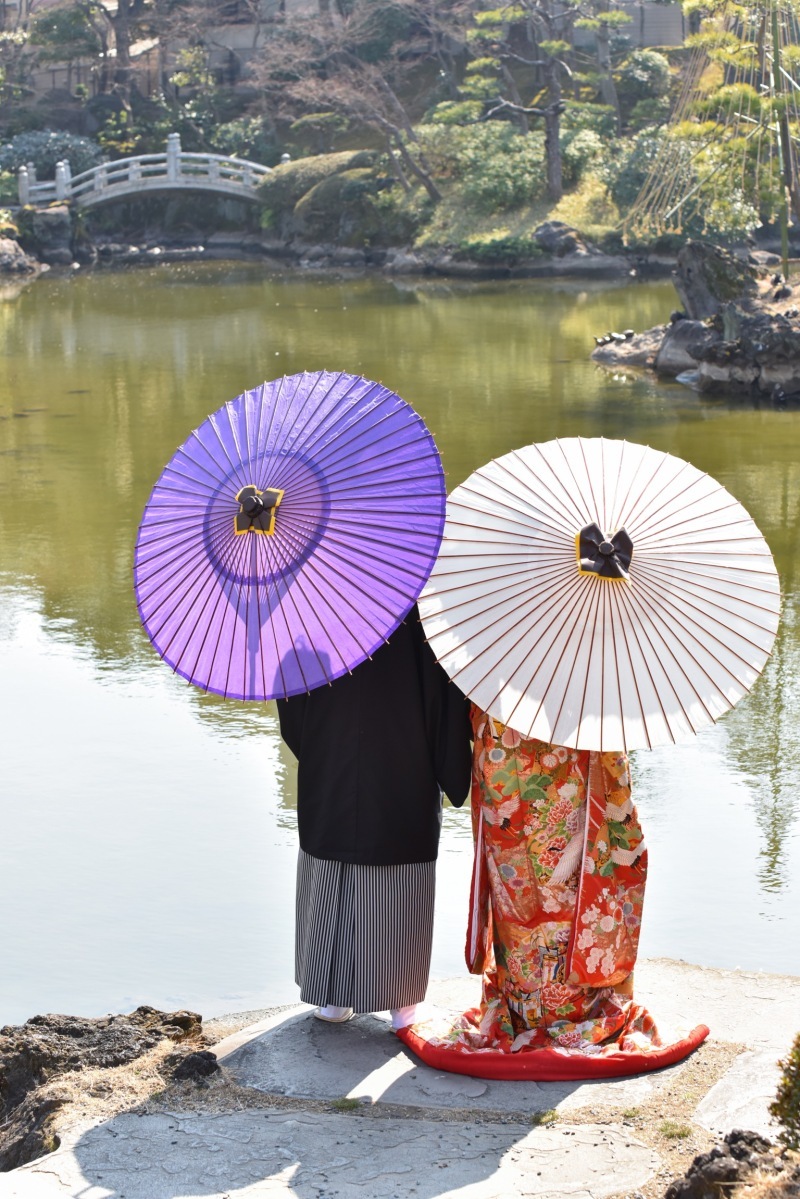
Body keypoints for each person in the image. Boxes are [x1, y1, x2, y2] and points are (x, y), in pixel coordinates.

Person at [395, 707, 708, 1076]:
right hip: (542, 776)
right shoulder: (577, 661)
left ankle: (529, 1010)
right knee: (536, 894)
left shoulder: (491, 658)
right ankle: (555, 1009)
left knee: (550, 894)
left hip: (525, 780)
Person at [276, 606, 472, 1029]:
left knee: (330, 877)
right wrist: (451, 768)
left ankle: (331, 998)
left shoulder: (315, 603)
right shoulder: (418, 610)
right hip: (403, 766)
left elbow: (289, 700)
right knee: (397, 887)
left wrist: (318, 748)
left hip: (331, 763)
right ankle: (402, 1007)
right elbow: (444, 698)